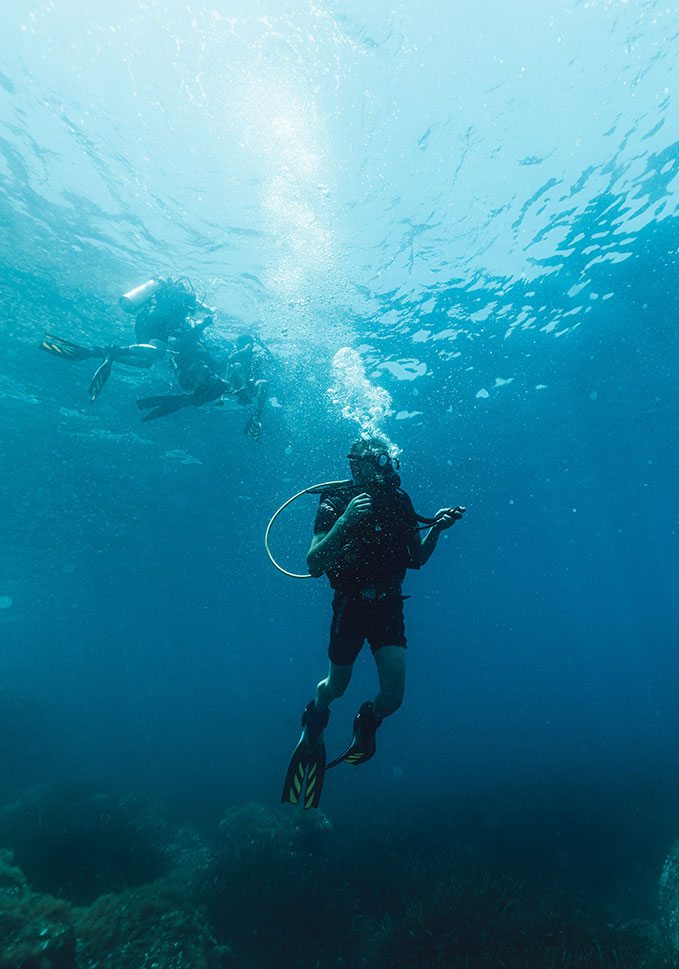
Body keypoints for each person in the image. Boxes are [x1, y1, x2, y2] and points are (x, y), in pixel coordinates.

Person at [281, 435, 465, 809]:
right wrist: (346, 520)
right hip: (349, 605)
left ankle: (368, 721)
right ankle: (315, 716)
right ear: (356, 464)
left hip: (388, 604)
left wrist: (436, 531)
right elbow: (314, 565)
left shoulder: (400, 501)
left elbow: (416, 560)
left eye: (385, 460)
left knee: (393, 696)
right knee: (338, 685)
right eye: (375, 460)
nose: (384, 467)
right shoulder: (335, 501)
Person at [39, 277, 213, 400]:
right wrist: (208, 315)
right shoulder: (184, 298)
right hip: (157, 322)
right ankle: (117, 350)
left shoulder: (166, 295)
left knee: (145, 361)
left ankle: (100, 352)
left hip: (145, 319)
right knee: (158, 352)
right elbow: (190, 317)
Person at [136, 331, 269, 431]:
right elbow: (229, 362)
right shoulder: (236, 354)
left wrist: (260, 347)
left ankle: (258, 413)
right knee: (227, 373)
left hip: (240, 391)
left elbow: (217, 367)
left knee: (263, 383)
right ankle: (190, 398)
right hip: (226, 387)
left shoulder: (257, 357)